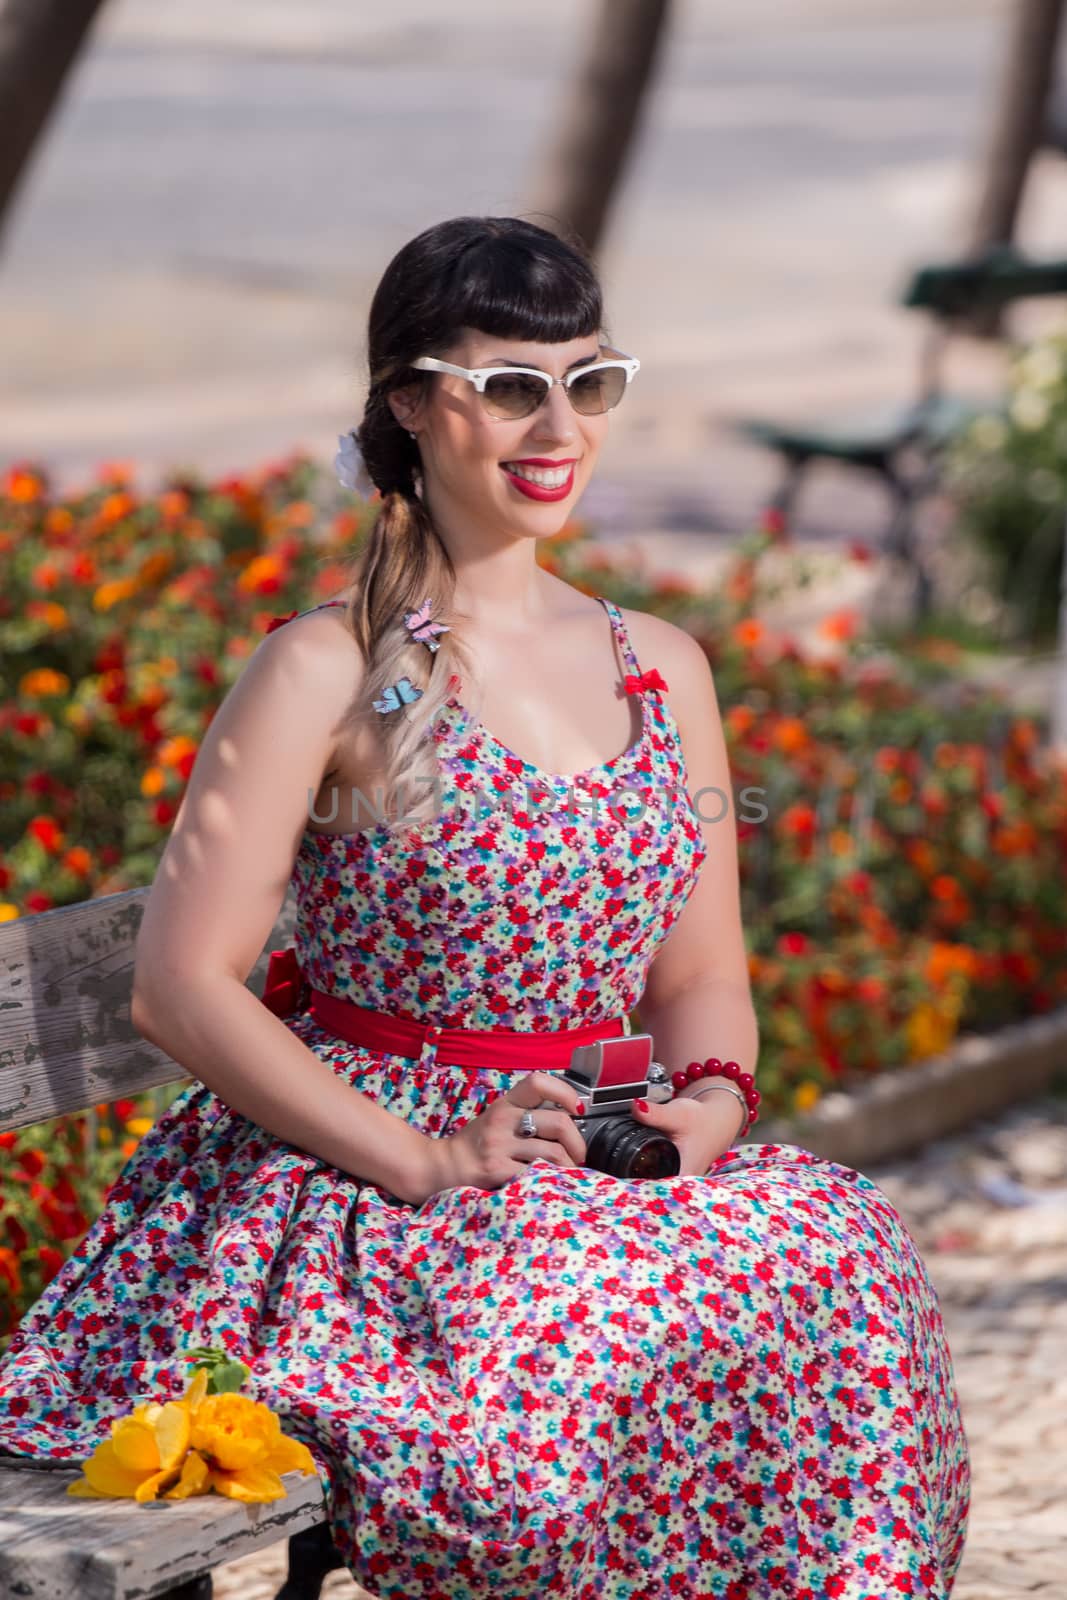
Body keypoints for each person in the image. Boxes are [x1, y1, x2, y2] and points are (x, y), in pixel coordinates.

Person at [0, 215, 970, 1600]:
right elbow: (181, 986)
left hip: (592, 1159)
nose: (557, 422)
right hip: (371, 1182)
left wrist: (708, 1103)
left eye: (591, 380)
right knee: (586, 1345)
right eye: (511, 384)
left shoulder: (662, 668)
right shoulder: (325, 671)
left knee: (842, 1260)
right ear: (413, 402)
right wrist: (427, 1160)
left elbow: (701, 974)